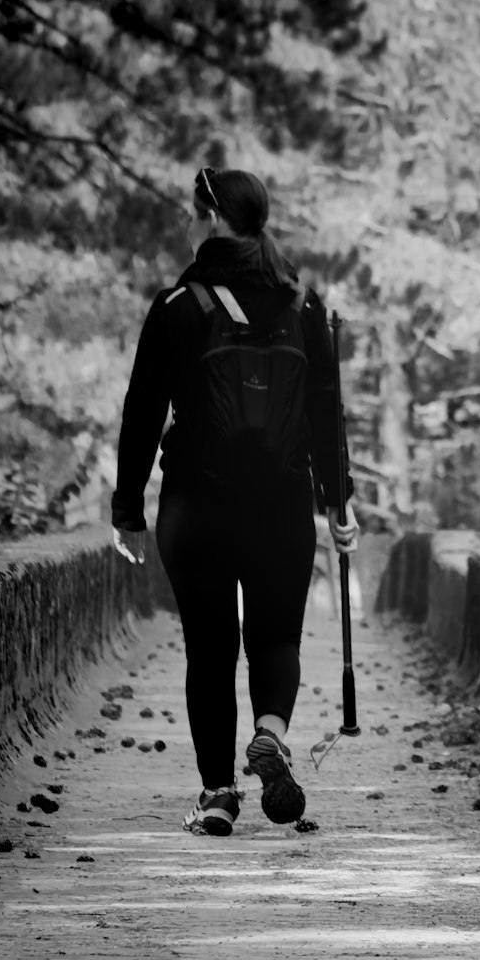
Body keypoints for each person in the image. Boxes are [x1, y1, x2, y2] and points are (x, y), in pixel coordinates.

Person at [111, 167, 358, 835]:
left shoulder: (178, 307)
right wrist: (339, 500)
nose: (189, 225)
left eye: (195, 213)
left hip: (197, 506)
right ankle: (271, 733)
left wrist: (127, 510)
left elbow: (142, 412)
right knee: (276, 637)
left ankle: (218, 793)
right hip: (280, 502)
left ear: (214, 220)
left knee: (210, 650)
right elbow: (326, 408)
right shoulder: (304, 304)